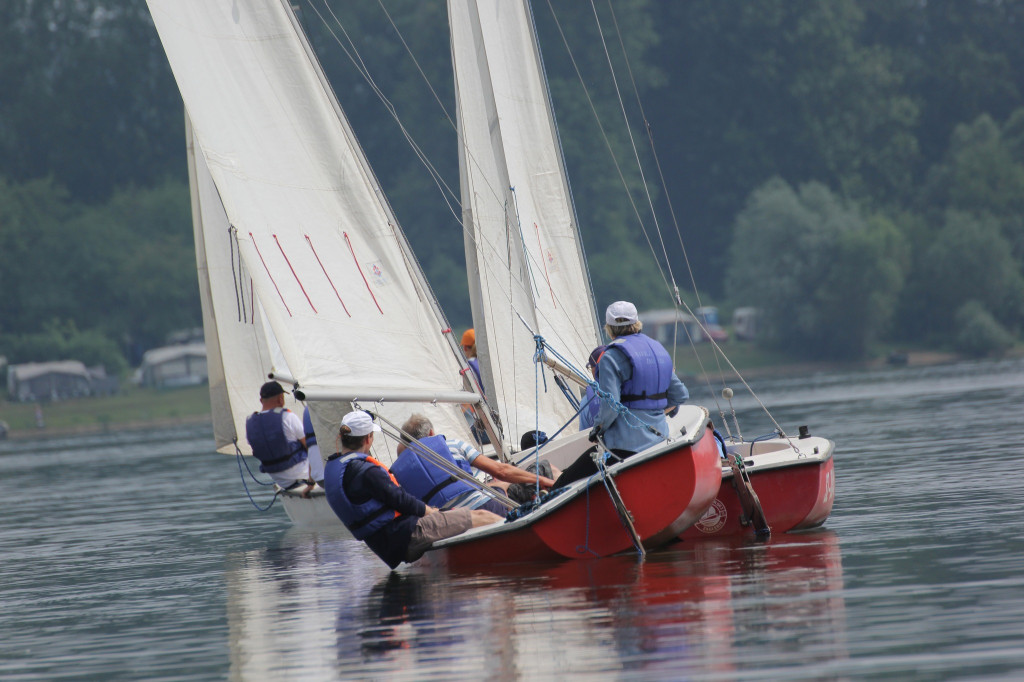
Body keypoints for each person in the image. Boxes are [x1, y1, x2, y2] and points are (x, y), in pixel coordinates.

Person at [323, 410, 502, 569]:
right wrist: (432, 511)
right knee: (482, 516)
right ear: (368, 438)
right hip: (407, 535)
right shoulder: (366, 472)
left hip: (387, 545)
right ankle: (523, 537)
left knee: (467, 517)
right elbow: (400, 500)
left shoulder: (337, 468)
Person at [553, 301, 689, 488]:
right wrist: (656, 410)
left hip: (623, 450)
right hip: (659, 443)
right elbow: (680, 394)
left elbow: (611, 406)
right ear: (637, 323)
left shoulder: (611, 357)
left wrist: (597, 430)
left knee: (564, 482)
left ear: (609, 328)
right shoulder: (658, 350)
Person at [390, 414, 556, 514]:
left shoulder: (402, 472)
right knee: (539, 469)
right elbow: (501, 470)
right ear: (432, 433)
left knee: (495, 484)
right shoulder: (453, 445)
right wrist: (544, 480)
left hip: (448, 522)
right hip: (487, 508)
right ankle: (546, 489)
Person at [245, 380, 312, 491]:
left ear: (261, 400)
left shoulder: (250, 422)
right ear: (281, 399)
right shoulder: (287, 417)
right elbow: (309, 447)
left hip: (281, 481)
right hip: (302, 477)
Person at [578, 345, 607, 430]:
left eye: (591, 367)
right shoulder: (631, 389)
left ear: (596, 369)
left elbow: (584, 437)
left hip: (603, 442)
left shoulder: (586, 402)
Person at [302, 406, 325, 485]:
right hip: (336, 478)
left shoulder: (308, 409)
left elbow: (311, 448)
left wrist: (310, 481)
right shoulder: (334, 407)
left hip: (319, 479)